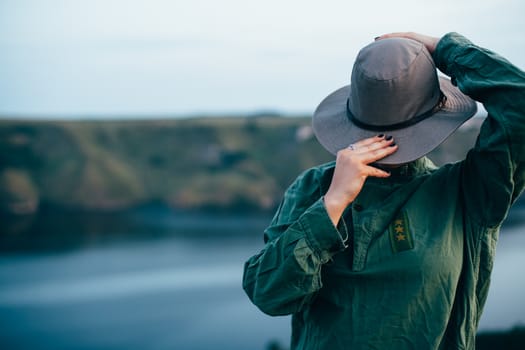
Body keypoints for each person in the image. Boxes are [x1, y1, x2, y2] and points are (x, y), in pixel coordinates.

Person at [242, 31, 525, 349]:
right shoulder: (314, 187)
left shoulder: (466, 192)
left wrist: (445, 49)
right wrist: (333, 203)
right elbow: (267, 293)